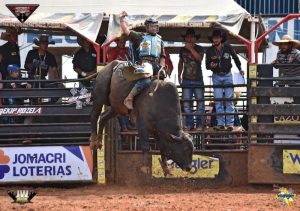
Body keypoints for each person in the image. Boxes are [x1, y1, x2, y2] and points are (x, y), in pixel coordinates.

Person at [119, 11, 165, 110]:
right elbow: (126, 31)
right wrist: (121, 19)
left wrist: (162, 67)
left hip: (157, 65)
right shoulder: (140, 36)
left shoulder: (160, 40)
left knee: (166, 81)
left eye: (155, 26)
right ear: (147, 27)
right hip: (145, 63)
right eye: (152, 26)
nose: (154, 28)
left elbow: (163, 56)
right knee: (146, 81)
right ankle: (129, 97)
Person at [206, 29, 244, 131]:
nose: (216, 39)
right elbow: (206, 65)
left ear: (221, 39)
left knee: (229, 100)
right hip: (217, 75)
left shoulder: (228, 47)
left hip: (227, 75)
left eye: (217, 37)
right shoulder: (209, 51)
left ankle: (230, 123)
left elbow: (236, 58)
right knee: (218, 100)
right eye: (214, 38)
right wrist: (211, 65)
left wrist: (240, 68)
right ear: (213, 39)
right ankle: (221, 124)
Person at [178, 28, 205, 130]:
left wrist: (190, 49)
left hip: (198, 79)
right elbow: (180, 63)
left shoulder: (200, 48)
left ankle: (199, 125)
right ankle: (189, 124)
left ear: (195, 38)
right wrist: (179, 75)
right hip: (186, 79)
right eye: (187, 37)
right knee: (186, 103)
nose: (189, 39)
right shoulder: (182, 50)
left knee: (200, 103)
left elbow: (199, 59)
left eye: (191, 37)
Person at [107, 35, 134, 131]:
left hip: (126, 81)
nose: (122, 44)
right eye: (121, 42)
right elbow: (110, 65)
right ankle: (124, 125)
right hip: (117, 81)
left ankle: (127, 124)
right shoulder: (113, 52)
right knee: (119, 103)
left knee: (126, 102)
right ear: (117, 42)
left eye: (123, 42)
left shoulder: (127, 53)